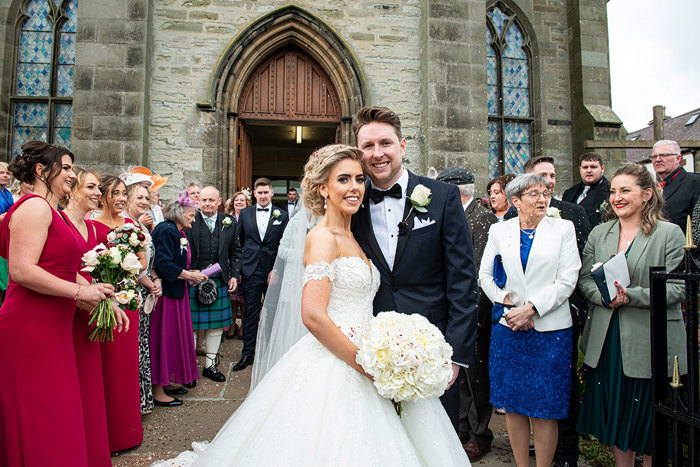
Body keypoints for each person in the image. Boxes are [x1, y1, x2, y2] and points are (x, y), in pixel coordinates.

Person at [157, 144, 471, 466]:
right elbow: (312, 315)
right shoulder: (323, 238)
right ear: (323, 188)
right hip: (340, 361)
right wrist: (367, 366)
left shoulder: (352, 236)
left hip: (367, 351)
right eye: (343, 179)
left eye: (360, 179)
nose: (355, 188)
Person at [350, 106, 478, 430]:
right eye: (368, 146)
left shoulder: (443, 197)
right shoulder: (352, 205)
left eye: (385, 143)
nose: (377, 154)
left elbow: (463, 281)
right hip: (373, 354)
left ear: (402, 146)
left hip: (434, 353)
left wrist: (456, 357)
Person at [0, 141, 117, 466]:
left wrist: (98, 292)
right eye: (64, 167)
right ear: (41, 171)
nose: (70, 174)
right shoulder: (34, 206)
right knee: (43, 414)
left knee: (58, 412)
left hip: (54, 324)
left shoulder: (52, 212)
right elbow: (22, 270)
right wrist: (80, 294)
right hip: (30, 324)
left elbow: (63, 268)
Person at [577, 163, 687, 467]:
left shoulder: (669, 233)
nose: (617, 197)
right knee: (616, 416)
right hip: (606, 339)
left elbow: (678, 288)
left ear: (647, 194)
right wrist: (602, 295)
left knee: (647, 425)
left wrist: (631, 295)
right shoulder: (601, 232)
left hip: (648, 339)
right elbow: (585, 278)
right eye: (614, 191)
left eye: (626, 190)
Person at [479, 173, 581, 467]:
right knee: (513, 404)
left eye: (545, 192)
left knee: (544, 406)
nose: (542, 198)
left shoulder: (563, 228)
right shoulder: (500, 231)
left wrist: (533, 308)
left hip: (549, 329)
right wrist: (503, 299)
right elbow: (484, 275)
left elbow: (568, 278)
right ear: (516, 201)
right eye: (534, 194)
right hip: (509, 327)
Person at [518, 155, 590, 466]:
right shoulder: (513, 215)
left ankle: (565, 452)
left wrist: (576, 307)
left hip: (560, 313)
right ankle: (540, 441)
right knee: (530, 384)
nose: (547, 181)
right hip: (521, 318)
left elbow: (581, 265)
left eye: (551, 175)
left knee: (562, 385)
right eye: (539, 176)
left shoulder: (572, 213)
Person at [437, 166, 497, 461]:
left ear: (456, 190)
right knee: (457, 376)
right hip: (453, 311)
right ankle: (461, 427)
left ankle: (480, 434)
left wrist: (476, 316)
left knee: (477, 379)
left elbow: (480, 273)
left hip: (476, 312)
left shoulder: (482, 218)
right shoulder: (453, 215)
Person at [63, 167, 112, 466]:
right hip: (67, 305)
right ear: (72, 189)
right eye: (90, 187)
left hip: (91, 309)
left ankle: (90, 446)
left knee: (90, 381)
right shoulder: (58, 221)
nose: (97, 193)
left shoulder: (95, 228)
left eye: (98, 188)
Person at [93, 174, 144, 452]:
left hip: (128, 301)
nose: (121, 199)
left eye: (124, 193)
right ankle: (105, 433)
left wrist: (129, 263)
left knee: (126, 366)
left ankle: (127, 431)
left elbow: (143, 261)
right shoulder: (91, 226)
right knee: (105, 367)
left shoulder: (130, 225)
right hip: (102, 300)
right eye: (115, 194)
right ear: (103, 197)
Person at [151, 191, 207, 405]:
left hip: (178, 291)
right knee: (164, 340)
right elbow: (163, 264)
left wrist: (191, 273)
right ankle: (158, 391)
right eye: (191, 215)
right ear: (179, 212)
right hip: (166, 295)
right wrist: (189, 275)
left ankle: (169, 382)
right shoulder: (165, 230)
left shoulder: (179, 232)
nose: (193, 219)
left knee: (175, 339)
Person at [185, 186, 242, 382]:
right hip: (193, 279)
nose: (207, 203)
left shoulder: (229, 222)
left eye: (211, 200)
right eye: (204, 200)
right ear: (198, 201)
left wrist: (234, 275)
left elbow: (236, 251)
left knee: (216, 327)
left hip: (219, 279)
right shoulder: (189, 220)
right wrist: (187, 272)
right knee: (191, 326)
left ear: (219, 202)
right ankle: (190, 369)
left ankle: (210, 365)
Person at [234, 178, 289, 371]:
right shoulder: (246, 214)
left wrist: (277, 269)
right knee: (250, 313)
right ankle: (248, 354)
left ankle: (271, 352)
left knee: (273, 312)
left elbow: (285, 245)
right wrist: (241, 268)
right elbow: (239, 242)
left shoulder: (282, 215)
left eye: (266, 192)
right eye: (260, 193)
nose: (263, 196)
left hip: (273, 271)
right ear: (255, 194)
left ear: (272, 193)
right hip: (251, 270)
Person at [124, 181, 163, 415]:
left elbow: (148, 261)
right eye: (139, 197)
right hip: (131, 294)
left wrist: (155, 278)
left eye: (146, 199)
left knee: (142, 345)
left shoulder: (141, 228)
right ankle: (131, 403)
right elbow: (130, 264)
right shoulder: (126, 227)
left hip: (145, 291)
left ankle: (141, 401)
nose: (144, 202)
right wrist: (148, 282)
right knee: (133, 348)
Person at [651, 139, 700, 233]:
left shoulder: (695, 182)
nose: (657, 160)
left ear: (678, 158)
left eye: (664, 155)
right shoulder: (652, 188)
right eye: (654, 156)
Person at [224, 190, 251, 339]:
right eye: (236, 200)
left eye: (242, 200)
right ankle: (232, 324)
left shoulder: (250, 218)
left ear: (247, 204)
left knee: (244, 297)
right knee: (232, 297)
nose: (239, 202)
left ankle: (244, 325)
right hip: (230, 261)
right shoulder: (227, 219)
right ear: (232, 203)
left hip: (246, 259)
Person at [562, 152, 611, 227]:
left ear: (602, 168)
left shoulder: (610, 192)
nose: (589, 170)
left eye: (593, 167)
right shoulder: (569, 192)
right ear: (580, 169)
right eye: (585, 167)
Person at [0, 162, 14, 301]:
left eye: (7, 173)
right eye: (1, 173)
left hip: (5, 236)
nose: (5, 175)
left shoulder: (8, 193)